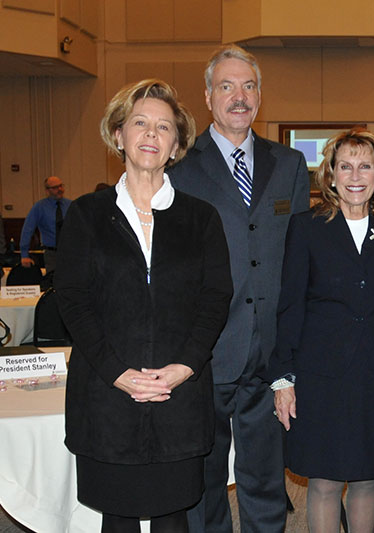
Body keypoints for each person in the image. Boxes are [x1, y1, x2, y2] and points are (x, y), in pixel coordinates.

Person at [55, 79, 233, 532]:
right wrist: (119, 373)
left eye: (163, 127)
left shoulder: (201, 218)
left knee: (175, 515)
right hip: (106, 399)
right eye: (140, 123)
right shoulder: (86, 214)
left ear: (176, 145)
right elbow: (73, 302)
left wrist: (183, 368)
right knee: (117, 516)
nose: (151, 135)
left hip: (179, 398)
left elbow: (215, 300)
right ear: (118, 136)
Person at [168, 44, 310, 532]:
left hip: (269, 353)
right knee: (204, 480)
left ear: (260, 96)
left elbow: (297, 258)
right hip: (205, 350)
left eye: (248, 86)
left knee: (266, 478)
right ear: (208, 97)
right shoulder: (181, 165)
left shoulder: (288, 165)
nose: (239, 96)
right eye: (226, 86)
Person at [271, 129, 374, 532]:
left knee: (369, 475)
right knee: (325, 479)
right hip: (321, 375)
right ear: (330, 175)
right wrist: (282, 378)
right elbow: (289, 305)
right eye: (345, 166)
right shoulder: (307, 226)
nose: (355, 175)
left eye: (365, 165)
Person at [19, 175, 71, 272]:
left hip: (70, 252)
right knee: (53, 282)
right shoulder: (39, 207)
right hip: (52, 254)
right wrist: (24, 255)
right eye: (55, 187)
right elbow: (27, 230)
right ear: (47, 191)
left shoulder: (70, 205)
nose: (60, 189)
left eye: (61, 186)